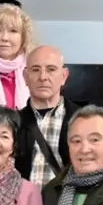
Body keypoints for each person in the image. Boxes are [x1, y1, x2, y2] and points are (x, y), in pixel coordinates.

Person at [15, 45, 79, 185]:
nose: (43, 77)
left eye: (51, 69)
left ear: (64, 76)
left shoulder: (82, 120)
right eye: (36, 70)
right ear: (25, 77)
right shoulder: (14, 122)